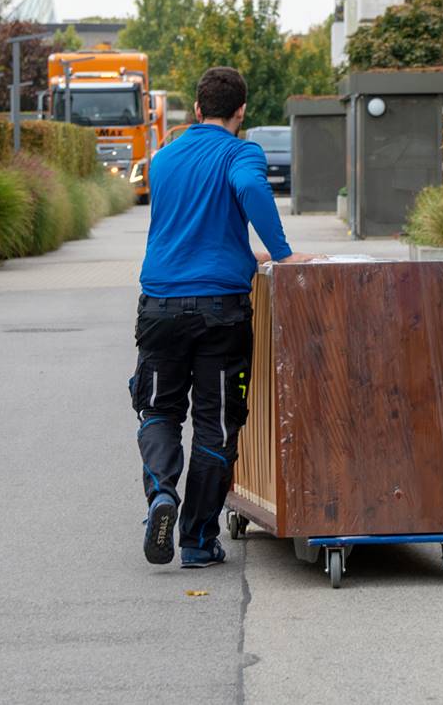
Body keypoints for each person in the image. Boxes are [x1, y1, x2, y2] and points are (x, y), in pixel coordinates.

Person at [132, 66, 313, 568]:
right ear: (241, 111)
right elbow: (249, 190)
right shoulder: (241, 152)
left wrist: (241, 253)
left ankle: (161, 495)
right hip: (219, 313)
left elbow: (191, 228)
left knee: (158, 410)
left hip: (161, 306)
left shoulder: (163, 159)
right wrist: (280, 253)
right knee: (215, 424)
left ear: (195, 109)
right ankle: (195, 541)